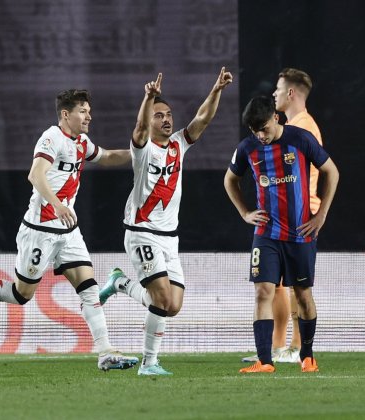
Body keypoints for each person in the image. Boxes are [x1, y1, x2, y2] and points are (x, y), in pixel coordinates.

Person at [0, 88, 139, 371]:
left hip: (67, 230)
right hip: (39, 230)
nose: (89, 116)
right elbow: (35, 174)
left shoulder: (82, 142)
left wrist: (139, 154)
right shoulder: (51, 137)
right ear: (66, 114)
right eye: (83, 111)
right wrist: (56, 204)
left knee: (89, 288)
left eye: (89, 111)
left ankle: (105, 352)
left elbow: (106, 157)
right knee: (21, 295)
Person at [99, 68, 234, 375]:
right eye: (159, 115)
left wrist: (216, 89)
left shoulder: (178, 145)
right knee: (161, 297)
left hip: (169, 237)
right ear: (150, 120)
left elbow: (202, 119)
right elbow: (139, 127)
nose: (166, 119)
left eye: (168, 114)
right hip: (141, 232)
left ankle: (119, 282)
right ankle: (149, 363)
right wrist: (148, 98)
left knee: (172, 305)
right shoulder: (143, 149)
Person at [224, 95, 338, 373]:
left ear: (275, 117)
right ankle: (265, 361)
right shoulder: (247, 148)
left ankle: (307, 356)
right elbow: (230, 179)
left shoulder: (301, 139)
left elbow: (331, 172)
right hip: (266, 233)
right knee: (263, 291)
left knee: (302, 295)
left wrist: (321, 215)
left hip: (300, 233)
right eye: (255, 131)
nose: (260, 136)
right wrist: (245, 213)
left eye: (263, 128)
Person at [242, 68, 324, 364]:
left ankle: (297, 347)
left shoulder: (303, 128)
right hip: (277, 220)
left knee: (297, 288)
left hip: (301, 217)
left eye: (278, 89)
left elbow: (317, 172)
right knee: (272, 286)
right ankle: (277, 347)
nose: (274, 94)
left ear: (290, 93)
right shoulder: (286, 126)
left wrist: (315, 211)